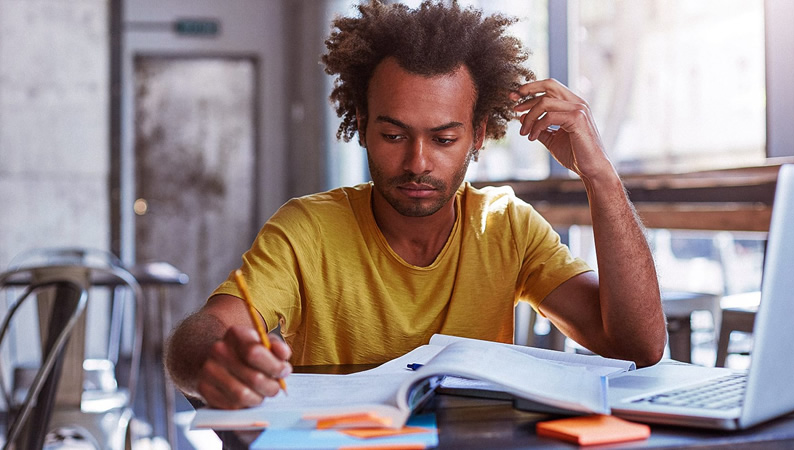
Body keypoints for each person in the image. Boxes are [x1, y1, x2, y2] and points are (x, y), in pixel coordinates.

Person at [165, 0, 666, 410]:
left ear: (477, 136)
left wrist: (599, 175)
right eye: (393, 134)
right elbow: (204, 333)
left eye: (444, 138)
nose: (417, 162)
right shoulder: (308, 230)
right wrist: (217, 359)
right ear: (360, 125)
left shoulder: (506, 228)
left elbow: (637, 348)